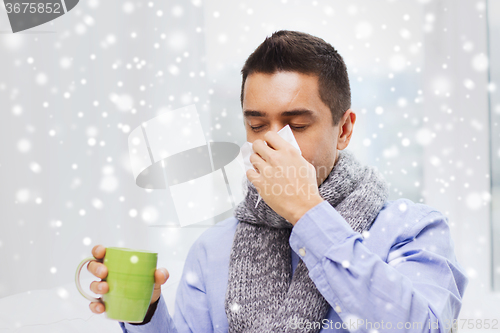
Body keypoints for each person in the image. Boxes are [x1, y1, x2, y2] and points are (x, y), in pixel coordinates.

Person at [86, 30, 468, 332]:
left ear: (344, 130)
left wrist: (307, 212)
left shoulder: (413, 229)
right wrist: (146, 316)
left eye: (297, 125)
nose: (274, 141)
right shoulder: (213, 249)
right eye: (256, 125)